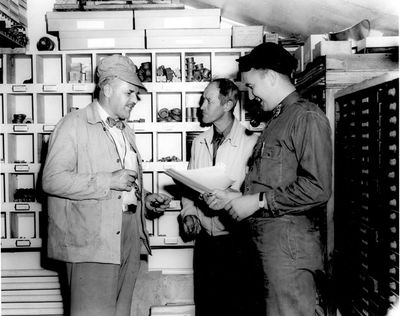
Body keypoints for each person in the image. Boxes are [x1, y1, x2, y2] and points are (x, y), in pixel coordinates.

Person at [205, 42, 333, 315]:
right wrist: (239, 198)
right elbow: (275, 182)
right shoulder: (277, 121)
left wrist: (259, 201)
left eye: (251, 86)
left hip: (289, 254)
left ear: (271, 77)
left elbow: (318, 188)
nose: (250, 96)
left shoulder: (306, 117)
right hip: (269, 251)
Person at [42, 54, 171, 316]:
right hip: (91, 242)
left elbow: (123, 183)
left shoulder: (125, 130)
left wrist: (143, 198)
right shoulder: (73, 125)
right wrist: (109, 180)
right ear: (108, 89)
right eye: (130, 92)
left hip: (127, 235)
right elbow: (52, 180)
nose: (135, 100)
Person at [179, 78, 259, 316]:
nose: (201, 106)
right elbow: (189, 188)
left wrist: (230, 197)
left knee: (239, 308)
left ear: (228, 105)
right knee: (207, 308)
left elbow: (253, 195)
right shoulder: (199, 142)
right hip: (205, 243)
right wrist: (189, 213)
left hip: (238, 241)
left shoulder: (251, 142)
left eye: (208, 100)